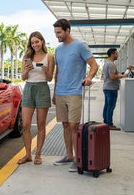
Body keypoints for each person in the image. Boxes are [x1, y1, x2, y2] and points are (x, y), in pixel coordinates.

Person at [52, 19, 98, 172]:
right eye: (55, 33)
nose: (57, 36)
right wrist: (54, 92)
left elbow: (94, 64)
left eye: (59, 32)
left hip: (74, 92)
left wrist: (89, 77)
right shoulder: (58, 50)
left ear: (67, 30)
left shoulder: (80, 45)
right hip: (60, 92)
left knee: (73, 125)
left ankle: (78, 159)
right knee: (65, 125)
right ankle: (69, 156)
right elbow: (57, 73)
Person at [17, 31, 55, 165]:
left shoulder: (49, 57)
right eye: (32, 43)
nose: (35, 45)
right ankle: (28, 154)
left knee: (40, 124)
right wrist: (26, 70)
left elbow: (50, 78)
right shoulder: (27, 57)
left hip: (42, 89)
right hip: (29, 88)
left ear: (42, 41)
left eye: (37, 42)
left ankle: (38, 154)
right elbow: (23, 77)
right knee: (26, 124)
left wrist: (45, 71)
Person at [102, 48, 128, 130]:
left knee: (107, 106)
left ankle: (106, 123)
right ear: (112, 54)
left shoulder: (106, 63)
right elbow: (112, 76)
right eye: (116, 54)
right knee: (110, 107)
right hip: (111, 88)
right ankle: (109, 124)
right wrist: (122, 76)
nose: (118, 55)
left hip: (107, 87)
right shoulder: (111, 64)